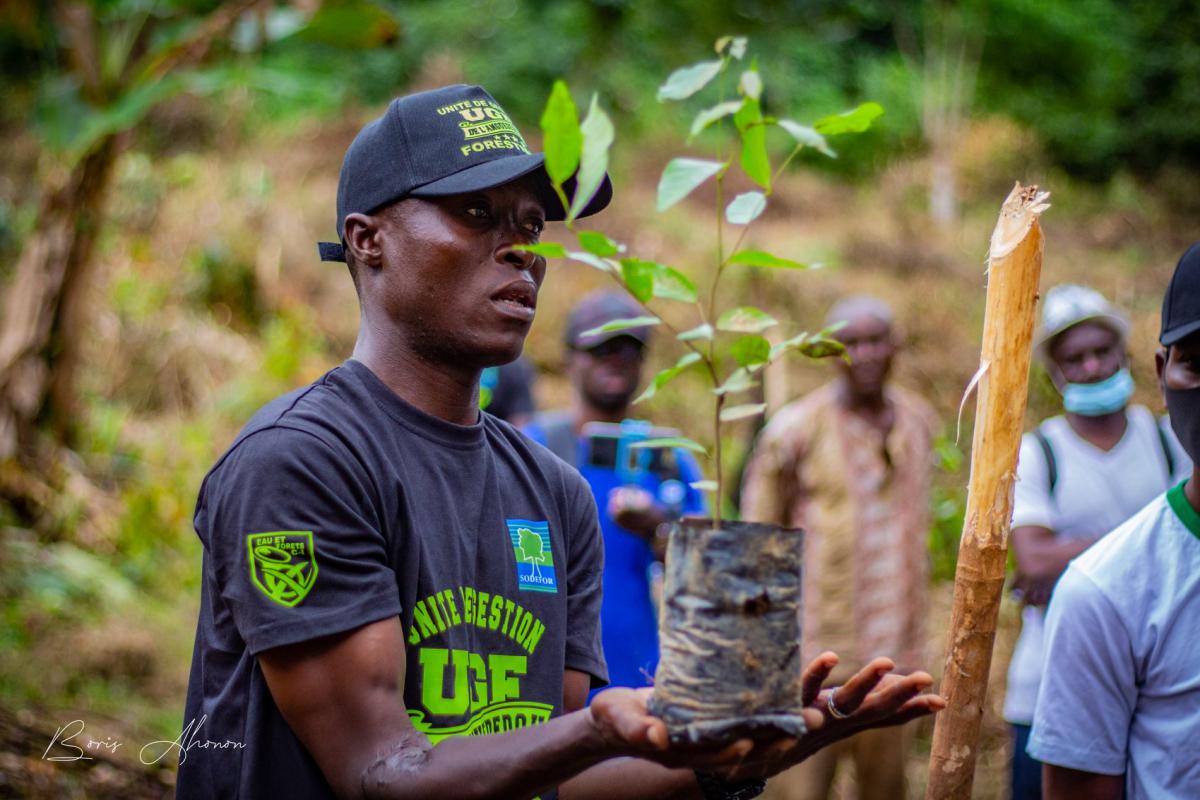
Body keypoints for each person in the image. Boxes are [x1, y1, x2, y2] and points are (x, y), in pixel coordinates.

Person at [177, 84, 944, 800]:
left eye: (531, 225)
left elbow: (555, 775)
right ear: (367, 240)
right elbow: (381, 770)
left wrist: (728, 759)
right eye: (476, 213)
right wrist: (590, 728)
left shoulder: (555, 494)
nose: (521, 250)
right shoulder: (303, 461)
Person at [740, 296, 938, 800]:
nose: (865, 353)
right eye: (851, 342)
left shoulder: (919, 422)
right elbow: (758, 543)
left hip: (896, 657)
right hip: (811, 665)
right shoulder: (795, 430)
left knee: (886, 788)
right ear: (829, 351)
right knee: (799, 787)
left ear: (895, 347)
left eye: (876, 340)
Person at [1002, 284, 1189, 800]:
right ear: (1054, 374)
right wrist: (1152, 539)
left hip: (1155, 687)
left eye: (1102, 351)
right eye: (1074, 358)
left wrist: (1077, 550)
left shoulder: (1168, 440)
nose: (1091, 367)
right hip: (1045, 689)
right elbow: (1034, 562)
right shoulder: (1039, 452)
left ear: (1126, 357)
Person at [524, 291, 706, 695]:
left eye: (630, 349)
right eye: (602, 348)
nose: (617, 359)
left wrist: (656, 526)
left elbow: (708, 578)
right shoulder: (530, 451)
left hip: (641, 681)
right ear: (570, 357)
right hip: (544, 682)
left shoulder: (669, 460)